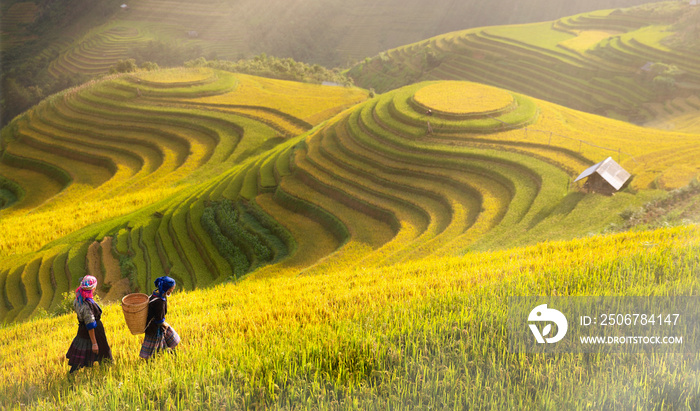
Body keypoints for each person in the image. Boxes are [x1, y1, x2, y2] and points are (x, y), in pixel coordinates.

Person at [65, 275, 112, 373]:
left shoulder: (78, 299)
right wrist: (94, 343)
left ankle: (74, 373)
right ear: (93, 288)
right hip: (93, 330)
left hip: (82, 329)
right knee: (102, 350)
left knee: (82, 349)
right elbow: (90, 324)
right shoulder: (86, 305)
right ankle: (107, 370)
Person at [140, 276, 181, 360]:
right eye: (172, 289)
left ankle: (172, 356)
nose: (172, 291)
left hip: (151, 326)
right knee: (154, 347)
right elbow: (159, 319)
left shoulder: (154, 295)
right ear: (167, 289)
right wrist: (165, 324)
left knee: (164, 342)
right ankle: (151, 360)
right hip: (154, 328)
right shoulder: (160, 302)